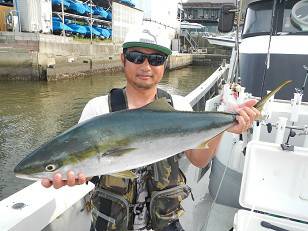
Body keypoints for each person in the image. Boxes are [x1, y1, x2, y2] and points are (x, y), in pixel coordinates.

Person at [42, 25, 260, 231]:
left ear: (164, 64)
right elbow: (85, 162)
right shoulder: (99, 108)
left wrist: (224, 127)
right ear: (122, 59)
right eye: (136, 57)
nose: (146, 66)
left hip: (166, 223)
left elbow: (199, 160)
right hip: (110, 225)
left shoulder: (178, 107)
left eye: (156, 59)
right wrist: (72, 177)